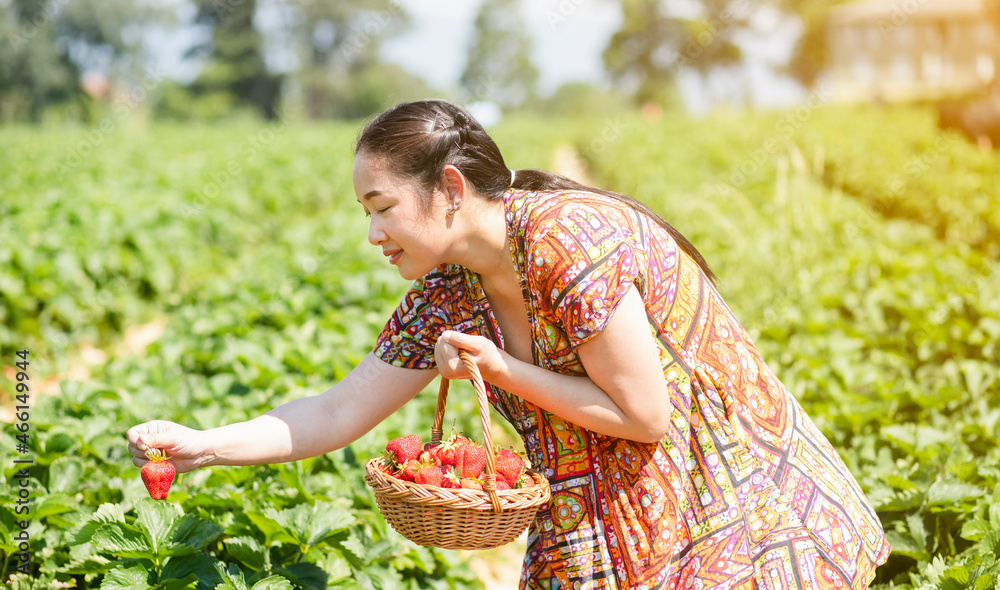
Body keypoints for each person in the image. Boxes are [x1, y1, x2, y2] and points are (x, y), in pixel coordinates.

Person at [128, 99, 890, 588]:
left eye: (382, 207)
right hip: (599, 520)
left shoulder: (567, 241)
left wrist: (502, 370)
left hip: (726, 505)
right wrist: (203, 446)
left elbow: (644, 416)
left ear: (451, 190)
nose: (372, 234)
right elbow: (336, 411)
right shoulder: (448, 289)